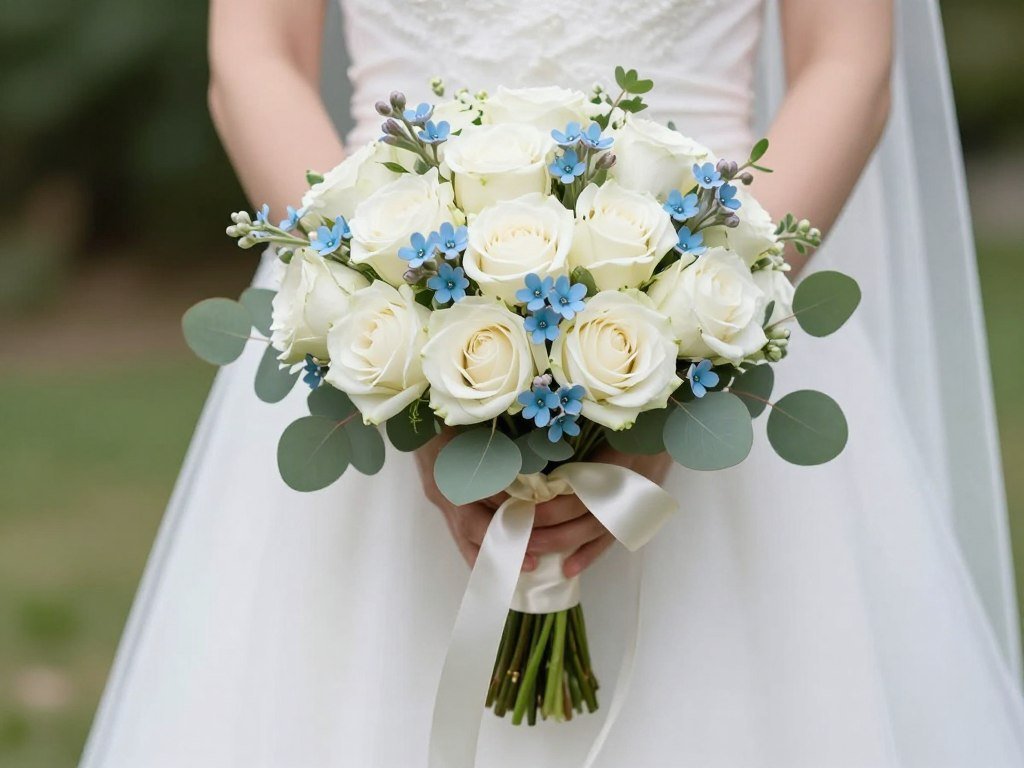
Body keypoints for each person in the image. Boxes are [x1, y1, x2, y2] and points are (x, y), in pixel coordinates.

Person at [81, 1, 1024, 766]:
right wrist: (385, 325)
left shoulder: (712, 330)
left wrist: (696, 352)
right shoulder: (383, 322)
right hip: (388, 293)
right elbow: (253, 56)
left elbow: (849, 63)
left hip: (723, 286)